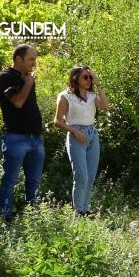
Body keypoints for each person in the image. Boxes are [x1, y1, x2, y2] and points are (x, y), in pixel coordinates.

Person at [0, 44, 44, 221]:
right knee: (10, 179)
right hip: (16, 138)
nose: (34, 63)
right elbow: (17, 102)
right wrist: (28, 83)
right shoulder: (5, 78)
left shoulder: (27, 78)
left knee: (34, 181)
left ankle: (33, 217)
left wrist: (28, 81)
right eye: (31, 59)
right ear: (18, 59)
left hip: (36, 139)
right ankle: (6, 216)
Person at [53, 66, 109, 216]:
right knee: (81, 176)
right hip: (76, 134)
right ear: (75, 78)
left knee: (90, 176)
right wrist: (75, 131)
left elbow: (105, 106)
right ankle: (78, 211)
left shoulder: (91, 96)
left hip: (92, 134)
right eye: (85, 77)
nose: (89, 80)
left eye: (90, 77)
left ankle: (85, 209)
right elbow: (57, 121)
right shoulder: (66, 96)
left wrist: (98, 84)